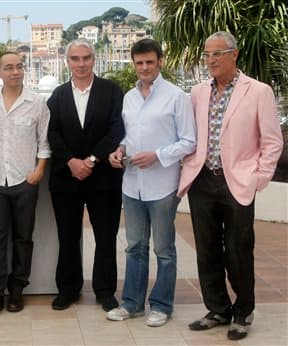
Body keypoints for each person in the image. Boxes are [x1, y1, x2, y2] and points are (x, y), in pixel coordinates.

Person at [178, 31, 283, 340]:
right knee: (206, 249)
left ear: (234, 55)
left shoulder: (259, 91)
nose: (211, 60)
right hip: (202, 180)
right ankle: (218, 308)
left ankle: (243, 310)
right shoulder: (197, 92)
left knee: (238, 250)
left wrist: (258, 177)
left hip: (237, 181)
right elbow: (189, 135)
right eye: (207, 55)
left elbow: (272, 141)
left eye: (217, 54)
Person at [106, 38, 196, 327]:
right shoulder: (128, 98)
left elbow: (189, 141)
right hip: (131, 184)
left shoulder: (176, 96)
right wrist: (118, 151)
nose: (144, 67)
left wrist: (157, 155)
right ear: (133, 64)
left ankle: (162, 305)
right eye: (139, 62)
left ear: (160, 62)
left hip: (162, 186)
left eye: (149, 62)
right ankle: (131, 303)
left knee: (164, 250)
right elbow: (127, 135)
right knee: (134, 247)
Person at [47, 38, 125, 312]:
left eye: (86, 58)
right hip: (66, 178)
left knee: (105, 236)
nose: (81, 64)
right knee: (68, 236)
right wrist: (70, 161)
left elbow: (116, 129)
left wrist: (91, 160)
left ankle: (105, 291)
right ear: (67, 62)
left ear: (94, 59)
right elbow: (52, 133)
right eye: (75, 59)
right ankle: (68, 289)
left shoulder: (112, 91)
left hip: (103, 177)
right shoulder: (57, 96)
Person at [0, 51, 51, 320]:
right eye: (9, 68)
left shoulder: (37, 103)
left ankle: (17, 289)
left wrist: (39, 171)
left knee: (23, 239)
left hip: (25, 181)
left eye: (19, 67)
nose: (15, 72)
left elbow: (44, 142)